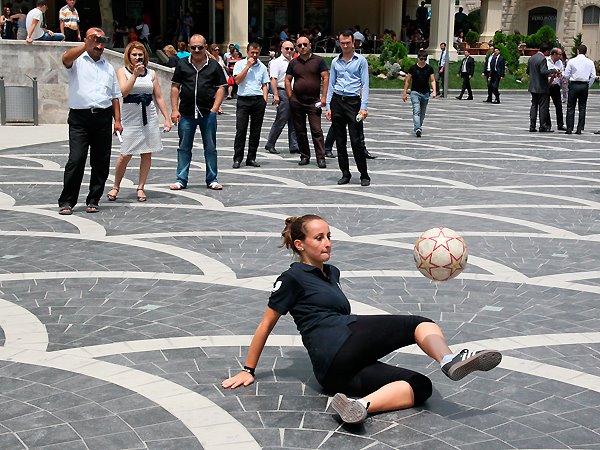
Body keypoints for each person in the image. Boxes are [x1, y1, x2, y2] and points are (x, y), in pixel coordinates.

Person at [222, 214, 502, 425]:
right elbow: (265, 324)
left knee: (420, 386)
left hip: (332, 375)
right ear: (300, 244)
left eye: (329, 236)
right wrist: (248, 369)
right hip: (338, 340)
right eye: (319, 238)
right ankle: (449, 361)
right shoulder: (291, 278)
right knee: (417, 324)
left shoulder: (331, 273)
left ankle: (360, 407)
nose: (327, 242)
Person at [57, 28, 122, 215]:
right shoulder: (77, 61)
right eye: (95, 40)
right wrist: (86, 45)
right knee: (76, 159)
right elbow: (65, 59)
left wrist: (117, 120)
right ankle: (67, 200)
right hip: (80, 118)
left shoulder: (108, 67)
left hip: (102, 117)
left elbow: (115, 96)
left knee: (101, 161)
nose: (99, 45)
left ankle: (94, 198)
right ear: (86, 40)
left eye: (102, 41)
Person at [106, 42, 171, 203]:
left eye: (140, 55)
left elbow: (159, 96)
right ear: (128, 56)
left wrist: (167, 118)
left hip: (148, 114)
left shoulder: (151, 73)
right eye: (134, 55)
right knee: (125, 154)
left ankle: (141, 187)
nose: (137, 57)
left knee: (146, 152)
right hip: (131, 116)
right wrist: (134, 75)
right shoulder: (123, 72)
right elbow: (123, 92)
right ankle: (116, 186)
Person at [170, 34, 227, 190]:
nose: (196, 50)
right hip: (186, 113)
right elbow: (175, 87)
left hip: (207, 113)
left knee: (210, 147)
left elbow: (222, 87)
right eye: (193, 47)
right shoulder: (182, 64)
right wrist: (174, 109)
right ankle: (181, 179)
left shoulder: (214, 65)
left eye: (200, 47)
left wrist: (215, 108)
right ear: (189, 47)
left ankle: (212, 179)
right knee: (183, 147)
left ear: (205, 47)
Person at [326, 30, 371, 185]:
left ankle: (364, 174)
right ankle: (345, 173)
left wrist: (363, 107)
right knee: (340, 141)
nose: (345, 46)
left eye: (347, 43)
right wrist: (328, 106)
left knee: (356, 141)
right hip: (337, 101)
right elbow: (331, 85)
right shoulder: (335, 62)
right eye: (342, 43)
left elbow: (365, 85)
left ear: (353, 43)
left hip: (353, 102)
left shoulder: (361, 61)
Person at [286, 36, 328, 168]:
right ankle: (304, 156)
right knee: (300, 130)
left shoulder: (318, 60)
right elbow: (287, 80)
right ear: (296, 48)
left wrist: (324, 98)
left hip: (313, 102)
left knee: (316, 130)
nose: (302, 47)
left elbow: (325, 78)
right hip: (297, 101)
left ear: (310, 45)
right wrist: (290, 97)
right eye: (299, 45)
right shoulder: (293, 63)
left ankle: (320, 157)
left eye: (305, 44)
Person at [232, 42, 269, 168]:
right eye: (252, 52)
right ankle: (237, 158)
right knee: (241, 130)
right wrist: (247, 66)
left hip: (258, 100)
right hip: (243, 100)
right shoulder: (239, 64)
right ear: (247, 52)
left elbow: (265, 85)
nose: (254, 55)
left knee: (255, 131)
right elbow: (237, 81)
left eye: (257, 53)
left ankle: (251, 158)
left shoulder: (262, 67)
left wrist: (264, 100)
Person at [264, 41, 299, 155]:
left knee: (294, 120)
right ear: (282, 49)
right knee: (281, 119)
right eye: (287, 48)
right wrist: (275, 94)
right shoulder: (276, 62)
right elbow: (273, 79)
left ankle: (294, 145)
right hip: (282, 91)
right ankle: (270, 143)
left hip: (294, 92)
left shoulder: (294, 61)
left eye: (291, 49)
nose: (289, 51)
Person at [403, 49, 436, 138]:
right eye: (421, 59)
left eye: (424, 59)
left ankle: (419, 126)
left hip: (425, 93)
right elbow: (407, 81)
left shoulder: (429, 68)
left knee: (422, 112)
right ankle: (418, 128)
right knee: (416, 110)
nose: (422, 61)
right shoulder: (413, 68)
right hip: (415, 92)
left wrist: (434, 91)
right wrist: (405, 93)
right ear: (418, 58)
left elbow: (432, 80)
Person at [563, 44, 596, 135]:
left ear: (577, 51)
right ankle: (579, 128)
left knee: (570, 107)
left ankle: (569, 128)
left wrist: (568, 80)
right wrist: (588, 85)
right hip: (584, 85)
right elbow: (593, 76)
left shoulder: (572, 61)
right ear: (586, 52)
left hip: (574, 84)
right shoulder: (590, 62)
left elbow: (566, 75)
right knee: (582, 107)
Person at [527, 43, 554, 132]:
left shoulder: (531, 58)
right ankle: (543, 125)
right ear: (546, 51)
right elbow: (543, 71)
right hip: (541, 87)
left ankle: (532, 125)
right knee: (543, 107)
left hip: (533, 86)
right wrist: (552, 70)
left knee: (534, 105)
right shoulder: (542, 59)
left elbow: (528, 71)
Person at [547, 48, 565, 131]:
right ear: (554, 54)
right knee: (546, 106)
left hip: (556, 86)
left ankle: (560, 124)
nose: (561, 56)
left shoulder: (560, 62)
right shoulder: (546, 61)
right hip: (547, 85)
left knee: (558, 105)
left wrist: (560, 74)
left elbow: (562, 72)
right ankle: (547, 124)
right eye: (559, 54)